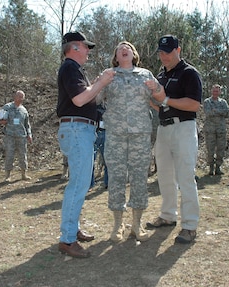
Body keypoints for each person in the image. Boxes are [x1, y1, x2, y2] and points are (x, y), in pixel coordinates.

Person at [56, 31, 114, 258]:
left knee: (79, 183)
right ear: (75, 47)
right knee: (79, 185)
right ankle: (67, 239)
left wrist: (100, 85)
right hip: (77, 129)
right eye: (86, 46)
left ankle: (73, 229)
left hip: (80, 129)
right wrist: (101, 81)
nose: (89, 50)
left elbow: (88, 98)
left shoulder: (74, 69)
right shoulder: (70, 67)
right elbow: (79, 99)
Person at [97, 41, 157, 243]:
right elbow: (94, 100)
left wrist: (157, 89)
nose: (124, 49)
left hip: (140, 135)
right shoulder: (109, 75)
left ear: (134, 54)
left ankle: (137, 224)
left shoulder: (146, 74)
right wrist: (100, 83)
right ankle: (117, 225)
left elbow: (158, 101)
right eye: (120, 48)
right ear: (116, 56)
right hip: (115, 135)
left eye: (128, 48)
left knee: (140, 178)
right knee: (116, 178)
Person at [145, 35, 202, 244]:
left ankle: (190, 225)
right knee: (165, 176)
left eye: (167, 52)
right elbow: (161, 105)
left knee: (186, 177)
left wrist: (166, 99)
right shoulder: (160, 75)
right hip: (163, 129)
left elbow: (194, 104)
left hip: (184, 128)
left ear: (178, 50)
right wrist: (152, 100)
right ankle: (168, 216)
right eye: (160, 52)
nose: (163, 56)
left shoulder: (189, 73)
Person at [0, 90, 33, 182]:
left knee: (23, 155)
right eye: (19, 96)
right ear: (15, 97)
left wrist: (29, 134)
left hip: (21, 136)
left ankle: (24, 174)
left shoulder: (24, 110)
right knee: (9, 155)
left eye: (22, 97)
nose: (21, 99)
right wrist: (1, 121)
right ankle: (7, 175)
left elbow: (27, 124)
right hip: (10, 135)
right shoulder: (7, 107)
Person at [203, 84, 229, 175]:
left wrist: (215, 110)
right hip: (210, 130)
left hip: (221, 129)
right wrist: (219, 112)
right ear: (211, 91)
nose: (215, 92)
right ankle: (211, 168)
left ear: (220, 92)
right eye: (214, 91)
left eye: (217, 91)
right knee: (210, 149)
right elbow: (208, 113)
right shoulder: (207, 101)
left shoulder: (223, 102)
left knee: (221, 149)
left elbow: (227, 113)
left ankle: (218, 167)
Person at [90, 103, 108, 189]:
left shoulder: (111, 105)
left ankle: (107, 183)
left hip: (106, 133)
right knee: (90, 161)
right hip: (94, 133)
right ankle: (90, 183)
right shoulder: (92, 105)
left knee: (108, 161)